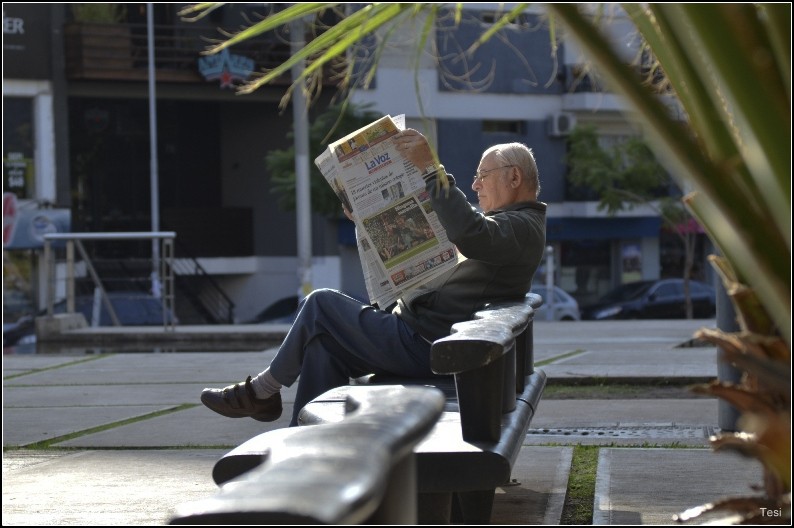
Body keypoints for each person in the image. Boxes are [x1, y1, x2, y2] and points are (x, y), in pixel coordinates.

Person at [200, 129, 547, 427]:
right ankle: (304, 446)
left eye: (482, 175)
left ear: (514, 178)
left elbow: (470, 233)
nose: (475, 185)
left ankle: (263, 391)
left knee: (320, 303)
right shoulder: (514, 227)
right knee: (323, 347)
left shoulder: (521, 227)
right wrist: (369, 219)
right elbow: (459, 235)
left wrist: (431, 169)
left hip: (431, 345)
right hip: (429, 338)